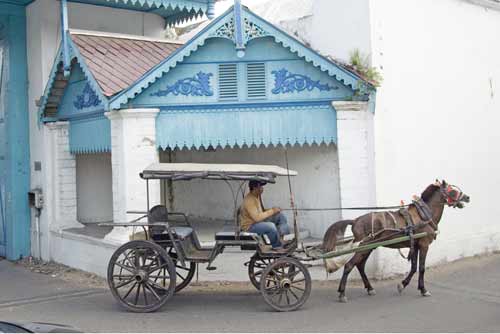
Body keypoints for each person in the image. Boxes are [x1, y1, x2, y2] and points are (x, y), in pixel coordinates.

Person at [239, 180, 291, 250]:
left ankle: (280, 239)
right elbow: (257, 218)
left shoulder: (256, 196)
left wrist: (274, 210)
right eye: (260, 186)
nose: (262, 188)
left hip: (257, 222)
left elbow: (261, 212)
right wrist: (272, 211)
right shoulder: (249, 200)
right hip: (250, 226)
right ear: (254, 188)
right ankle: (277, 246)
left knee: (280, 216)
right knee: (271, 226)